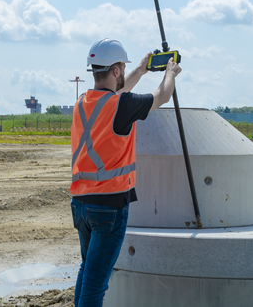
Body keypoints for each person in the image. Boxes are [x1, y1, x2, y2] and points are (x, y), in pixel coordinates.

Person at [70, 38, 181, 306]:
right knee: (95, 285)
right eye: (122, 67)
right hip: (109, 208)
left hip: (81, 205)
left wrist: (141, 70)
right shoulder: (121, 105)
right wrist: (170, 73)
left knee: (87, 272)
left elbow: (116, 95)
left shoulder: (83, 102)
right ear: (117, 70)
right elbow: (163, 96)